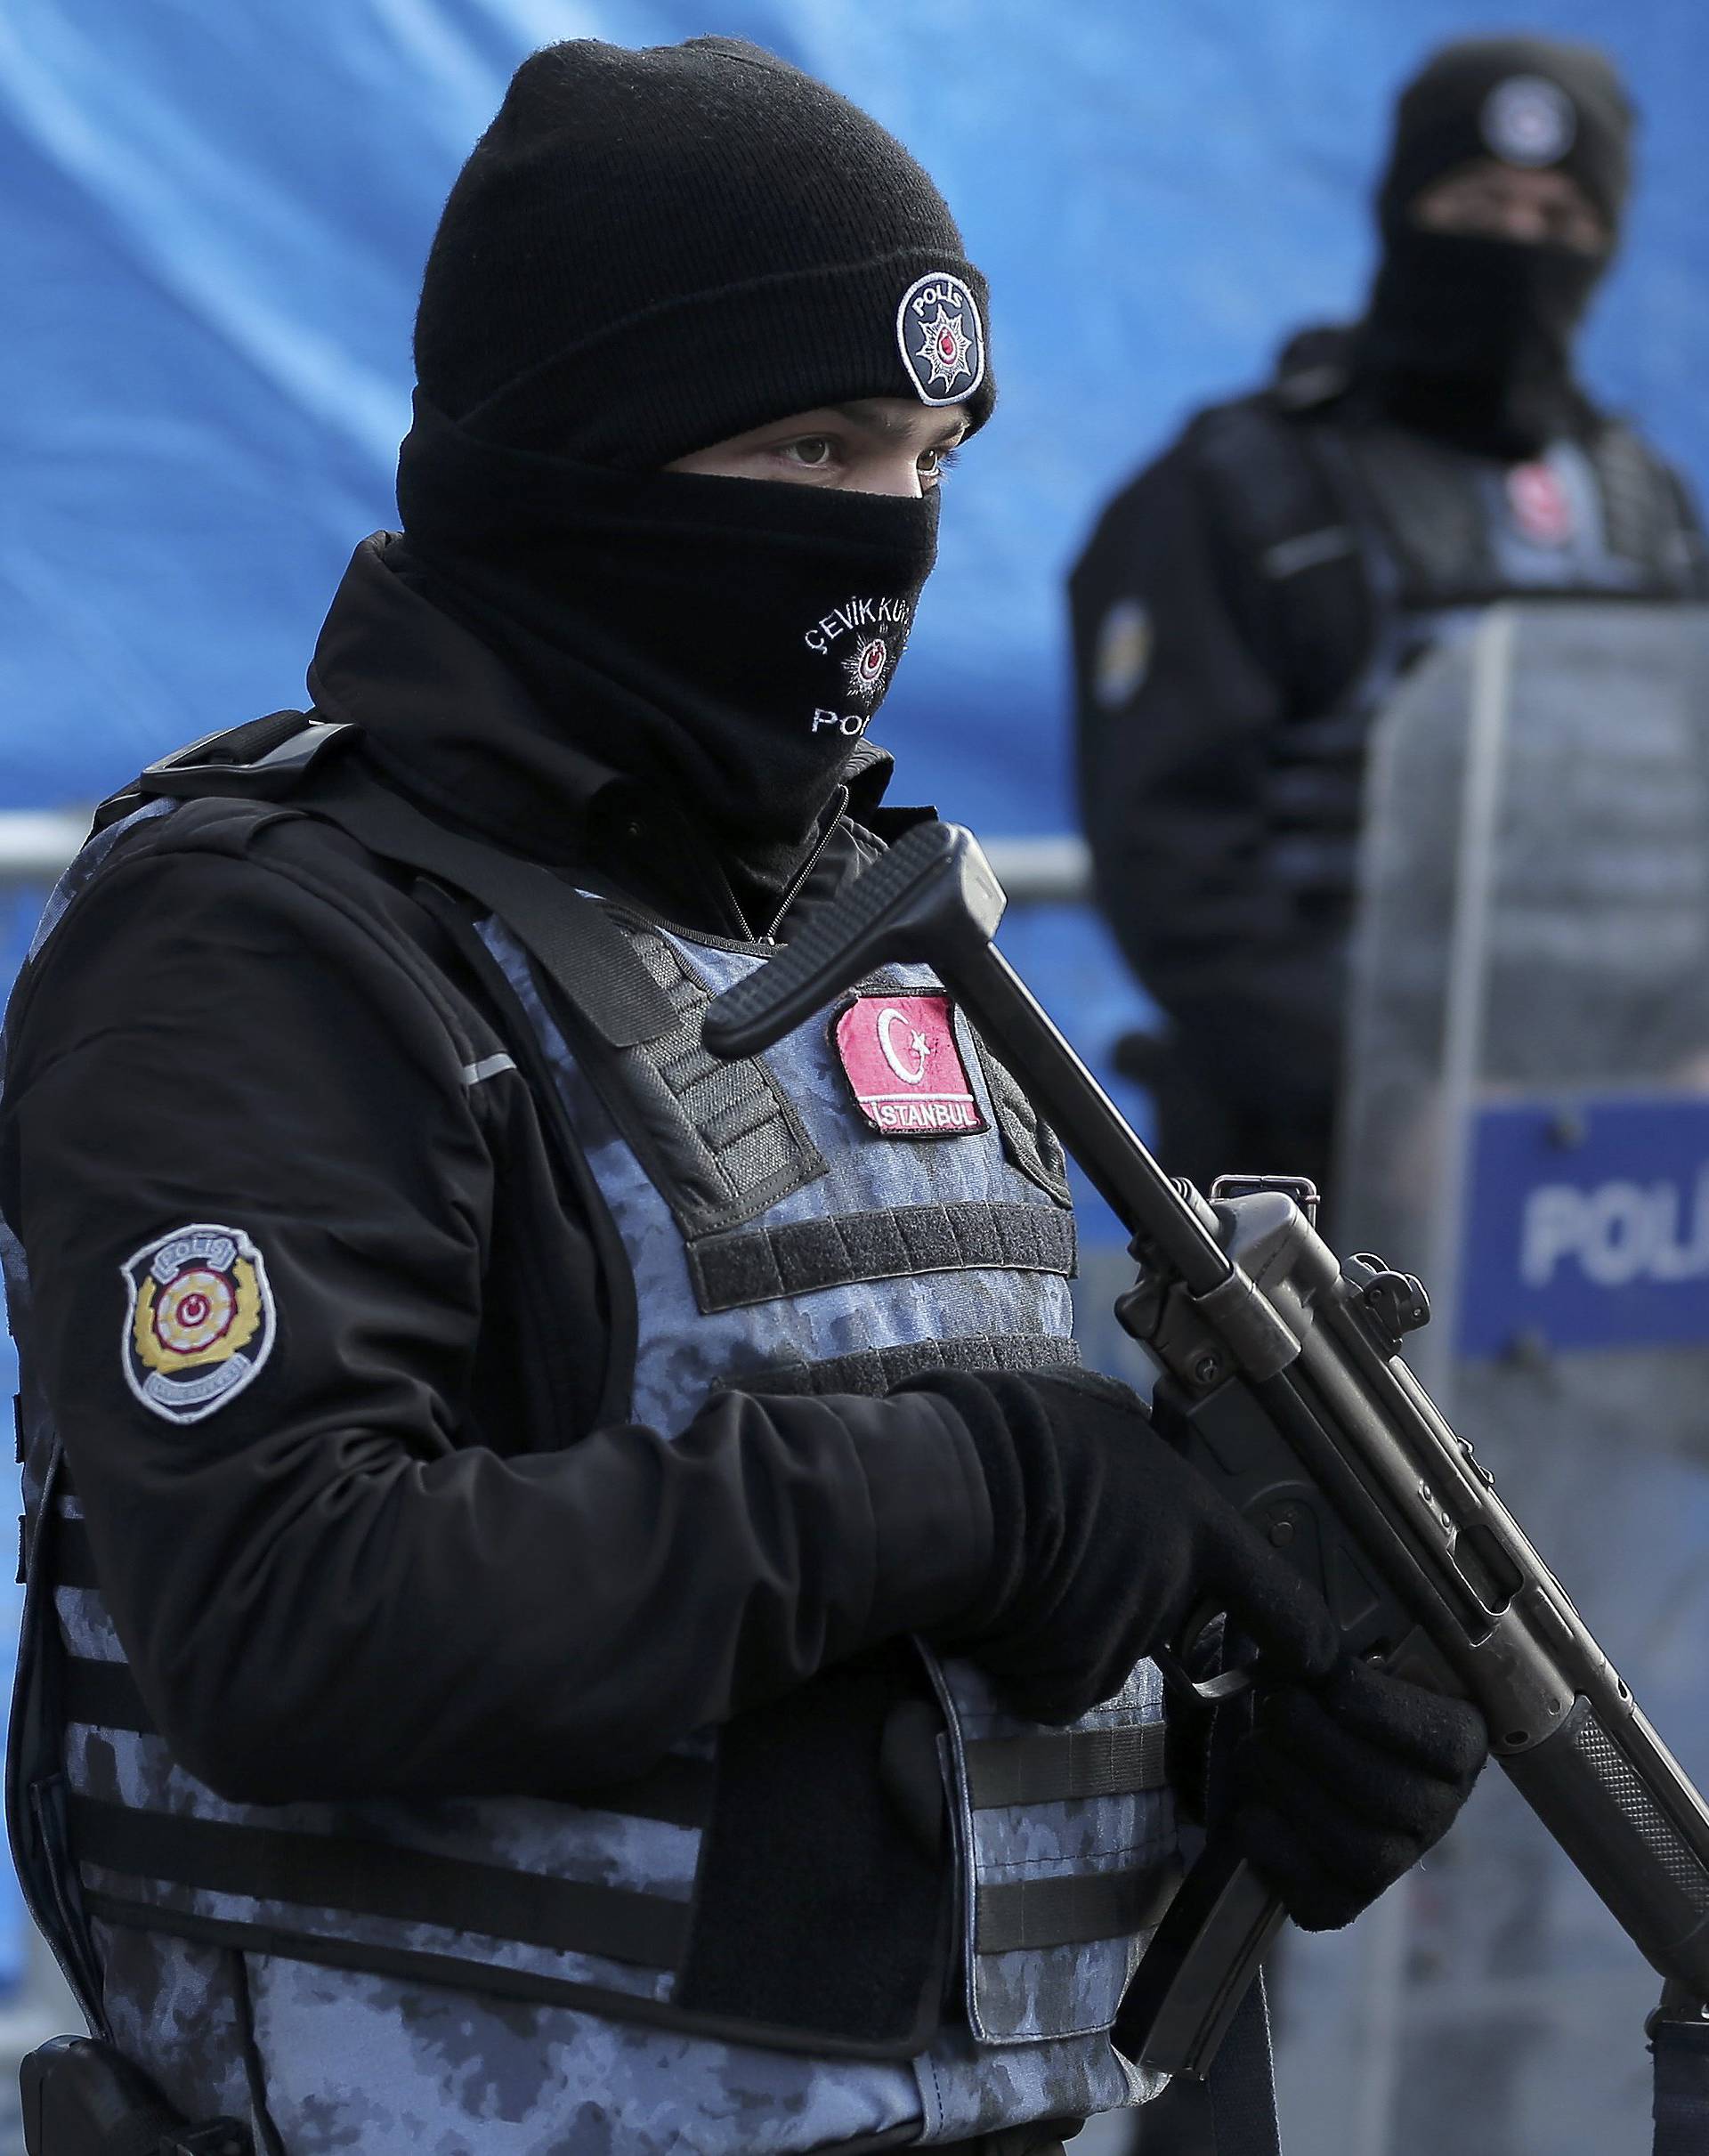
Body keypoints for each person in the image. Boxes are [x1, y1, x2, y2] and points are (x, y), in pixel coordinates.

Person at [0, 39, 1485, 2156]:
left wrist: (1224, 1757)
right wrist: (982, 1488)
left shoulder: (874, 932)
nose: (884, 528)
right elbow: (283, 1617)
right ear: (582, 458)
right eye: (810, 445)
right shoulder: (273, 943)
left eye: (925, 453)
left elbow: (856, 1706)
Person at [1070, 35, 1708, 1204]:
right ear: (1403, 208)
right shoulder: (1237, 492)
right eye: (1477, 201)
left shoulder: (1647, 511)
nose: (1517, 244)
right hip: (1317, 1170)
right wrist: (1394, 1095)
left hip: (1628, 1166)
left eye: (1560, 219)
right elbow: (1178, 867)